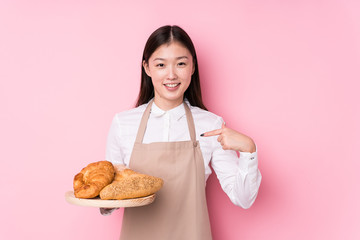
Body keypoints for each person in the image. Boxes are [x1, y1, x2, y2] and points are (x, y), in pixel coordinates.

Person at [102, 25, 262, 240]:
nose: (171, 75)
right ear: (147, 68)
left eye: (180, 64)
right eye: (161, 65)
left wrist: (248, 151)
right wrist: (104, 195)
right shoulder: (123, 123)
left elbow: (243, 199)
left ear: (192, 67)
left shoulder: (211, 125)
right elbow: (108, 200)